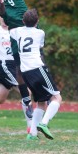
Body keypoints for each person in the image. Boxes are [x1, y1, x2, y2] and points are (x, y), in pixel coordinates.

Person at [0, 0, 69, 118]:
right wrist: (1, 3)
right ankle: (26, 98)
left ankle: (44, 93)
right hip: (16, 32)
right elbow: (1, 12)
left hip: (30, 27)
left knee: (38, 60)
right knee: (19, 66)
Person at [10, 8, 62, 141]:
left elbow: (11, 28)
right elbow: (39, 47)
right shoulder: (40, 33)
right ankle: (44, 124)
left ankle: (32, 134)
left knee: (41, 102)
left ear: (23, 21)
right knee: (57, 98)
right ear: (37, 21)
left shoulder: (17, 31)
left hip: (25, 72)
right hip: (37, 68)